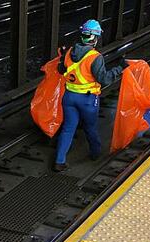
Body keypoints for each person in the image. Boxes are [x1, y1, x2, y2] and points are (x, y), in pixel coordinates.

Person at [53, 19, 126, 172]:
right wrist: (120, 68)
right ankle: (95, 154)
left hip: (69, 97)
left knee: (68, 128)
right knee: (90, 127)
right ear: (95, 38)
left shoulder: (69, 52)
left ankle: (59, 161)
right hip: (87, 100)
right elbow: (104, 79)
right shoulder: (95, 57)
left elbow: (61, 70)